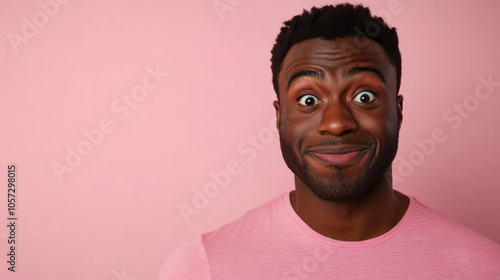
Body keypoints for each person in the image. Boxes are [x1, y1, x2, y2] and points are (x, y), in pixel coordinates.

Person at [159, 3, 500, 279]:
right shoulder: (202, 267)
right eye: (308, 100)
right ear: (280, 116)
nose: (337, 123)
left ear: (397, 110)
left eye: (364, 96)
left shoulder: (485, 267)